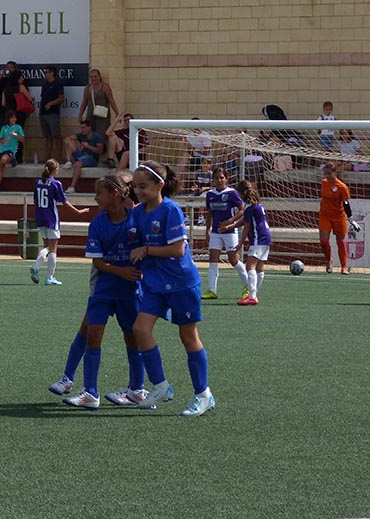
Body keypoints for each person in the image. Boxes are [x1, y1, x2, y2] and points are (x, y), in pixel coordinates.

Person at [128, 161, 214, 417]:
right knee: (140, 329)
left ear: (159, 185)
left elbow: (178, 249)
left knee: (188, 336)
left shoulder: (171, 210)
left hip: (181, 283)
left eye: (143, 186)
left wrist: (145, 250)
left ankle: (203, 394)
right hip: (154, 283)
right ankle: (161, 386)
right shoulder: (138, 212)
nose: (139, 191)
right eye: (135, 186)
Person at [58, 173, 147, 409]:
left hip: (130, 291)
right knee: (94, 336)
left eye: (99, 193)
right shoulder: (97, 224)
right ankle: (90, 393)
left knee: (132, 338)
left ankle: (137, 389)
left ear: (114, 194)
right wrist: (121, 271)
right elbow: (98, 262)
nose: (96, 198)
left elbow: (148, 246)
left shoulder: (137, 219)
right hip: (104, 290)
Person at [29, 159, 89, 286]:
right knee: (53, 248)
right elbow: (64, 201)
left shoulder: (38, 182)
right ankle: (48, 276)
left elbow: (35, 200)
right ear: (55, 170)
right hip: (51, 218)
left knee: (46, 246)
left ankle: (36, 266)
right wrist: (78, 211)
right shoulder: (56, 184)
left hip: (40, 216)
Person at [218, 179, 271, 306]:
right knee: (259, 268)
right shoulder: (256, 204)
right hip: (266, 238)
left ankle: (252, 296)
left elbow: (246, 226)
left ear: (242, 193)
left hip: (258, 238)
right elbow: (245, 220)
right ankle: (253, 294)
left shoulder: (249, 207)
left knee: (250, 266)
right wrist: (230, 226)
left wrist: (241, 243)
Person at [201, 167, 250, 300]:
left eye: (222, 177)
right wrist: (208, 229)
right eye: (216, 178)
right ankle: (212, 290)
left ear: (226, 179)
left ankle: (248, 284)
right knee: (213, 259)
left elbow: (242, 210)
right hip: (216, 232)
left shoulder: (232, 193)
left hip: (229, 232)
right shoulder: (210, 194)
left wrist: (230, 221)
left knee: (233, 259)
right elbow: (209, 213)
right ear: (213, 180)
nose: (219, 180)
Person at [316, 162, 357, 274]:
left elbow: (346, 203)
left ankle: (344, 266)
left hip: (339, 216)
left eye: (329, 174)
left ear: (335, 173)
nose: (327, 176)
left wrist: (350, 217)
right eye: (325, 174)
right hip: (325, 215)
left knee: (341, 242)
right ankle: (329, 260)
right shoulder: (324, 183)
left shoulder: (342, 187)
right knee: (324, 241)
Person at [0, 60, 33, 163]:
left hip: (8, 114)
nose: (9, 69)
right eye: (7, 67)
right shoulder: (19, 86)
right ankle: (17, 157)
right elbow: (30, 99)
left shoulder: (6, 89)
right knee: (18, 136)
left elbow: (4, 103)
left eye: (11, 67)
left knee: (7, 135)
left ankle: (7, 156)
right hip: (18, 114)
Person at [77, 68, 119, 166]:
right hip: (91, 116)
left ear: (99, 77)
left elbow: (111, 100)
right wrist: (80, 115)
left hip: (102, 117)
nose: (93, 78)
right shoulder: (88, 88)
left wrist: (117, 112)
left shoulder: (104, 87)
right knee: (90, 135)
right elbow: (84, 102)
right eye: (91, 77)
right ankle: (91, 157)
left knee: (102, 136)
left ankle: (105, 158)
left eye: (95, 76)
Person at [62, 119, 105, 193]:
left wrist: (88, 146)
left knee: (77, 164)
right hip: (81, 154)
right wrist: (76, 144)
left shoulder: (97, 136)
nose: (81, 130)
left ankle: (72, 187)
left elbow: (100, 151)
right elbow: (67, 139)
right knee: (70, 142)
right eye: (81, 128)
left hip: (91, 158)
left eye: (83, 128)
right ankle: (68, 161)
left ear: (89, 127)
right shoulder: (81, 135)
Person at [39, 65, 65, 161]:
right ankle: (47, 157)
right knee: (47, 136)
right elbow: (42, 98)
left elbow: (61, 98)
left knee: (56, 135)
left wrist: (51, 103)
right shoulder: (44, 84)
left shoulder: (57, 84)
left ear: (52, 72)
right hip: (43, 113)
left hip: (53, 113)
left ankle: (59, 157)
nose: (45, 74)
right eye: (44, 72)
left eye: (47, 72)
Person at [0, 110, 25, 192]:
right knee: (1, 165)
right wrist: (3, 140)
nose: (14, 119)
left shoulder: (18, 127)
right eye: (12, 118)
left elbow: (23, 139)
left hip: (11, 149)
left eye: (15, 118)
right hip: (3, 149)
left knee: (3, 160)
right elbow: (0, 139)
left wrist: (16, 135)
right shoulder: (4, 128)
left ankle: (12, 158)